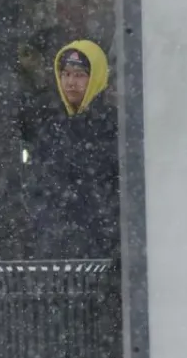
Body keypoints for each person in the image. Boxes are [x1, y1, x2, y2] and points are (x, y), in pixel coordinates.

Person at [27, 40, 119, 259]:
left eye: (79, 75)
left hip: (102, 251)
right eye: (65, 74)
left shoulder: (112, 127)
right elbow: (38, 186)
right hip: (58, 252)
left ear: (96, 77)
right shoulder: (51, 126)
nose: (70, 82)